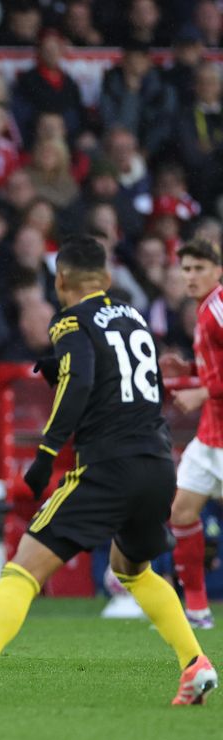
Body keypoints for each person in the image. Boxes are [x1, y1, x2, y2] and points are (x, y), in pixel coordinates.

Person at [0, 236, 217, 710]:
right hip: (157, 463)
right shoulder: (134, 317)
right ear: (107, 281)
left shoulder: (71, 319)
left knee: (21, 569)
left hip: (109, 466)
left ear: (60, 281)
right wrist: (62, 367)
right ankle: (195, 663)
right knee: (131, 567)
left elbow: (83, 381)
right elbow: (130, 382)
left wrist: (47, 451)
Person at [158, 239, 223, 630]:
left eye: (199, 268)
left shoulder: (218, 308)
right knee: (182, 513)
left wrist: (204, 390)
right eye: (186, 269)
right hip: (210, 438)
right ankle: (197, 609)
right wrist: (191, 373)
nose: (191, 276)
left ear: (218, 270)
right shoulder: (205, 310)